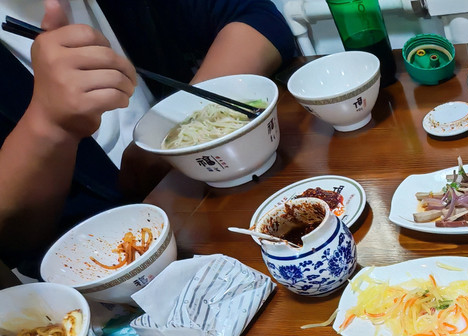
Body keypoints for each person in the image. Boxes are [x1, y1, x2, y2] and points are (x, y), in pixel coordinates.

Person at [0, 0, 296, 280]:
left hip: (199, 198)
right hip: (91, 271)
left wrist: (168, 137)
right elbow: (12, 241)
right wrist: (49, 126)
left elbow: (256, 17)